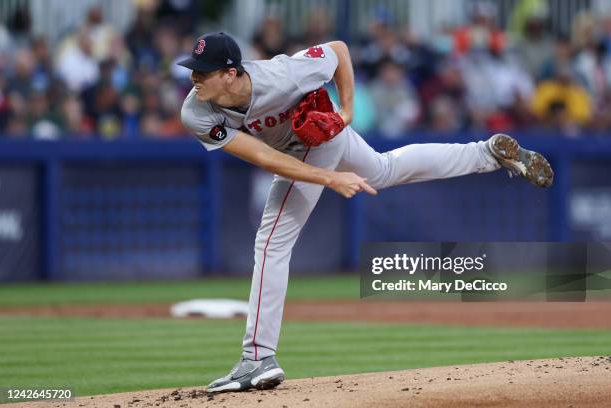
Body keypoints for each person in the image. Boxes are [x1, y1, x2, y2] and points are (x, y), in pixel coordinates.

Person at [178, 32, 554, 393]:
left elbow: (339, 50)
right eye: (193, 69)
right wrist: (328, 177)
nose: (194, 78)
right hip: (298, 148)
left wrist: (348, 108)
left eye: (202, 71)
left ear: (230, 73)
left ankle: (257, 357)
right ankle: (486, 153)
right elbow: (263, 156)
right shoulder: (195, 112)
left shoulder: (283, 73)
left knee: (272, 240)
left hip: (321, 135)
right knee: (385, 169)